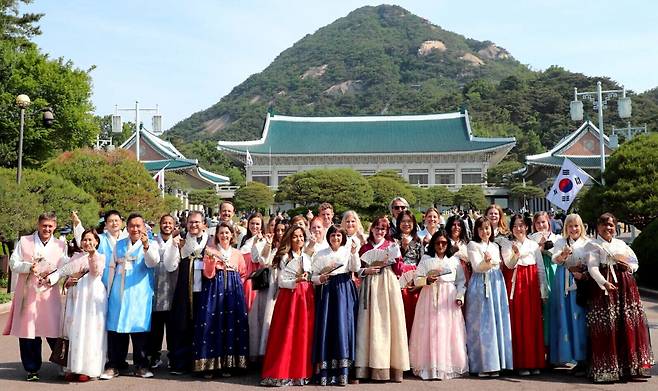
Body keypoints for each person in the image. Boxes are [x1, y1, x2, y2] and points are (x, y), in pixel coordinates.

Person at [585, 213, 654, 383]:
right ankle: (607, 368)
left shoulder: (621, 244)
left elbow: (635, 262)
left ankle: (631, 367)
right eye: (604, 225)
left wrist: (628, 266)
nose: (608, 228)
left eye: (611, 225)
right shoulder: (593, 245)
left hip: (626, 287)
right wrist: (604, 283)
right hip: (605, 289)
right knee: (608, 325)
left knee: (628, 324)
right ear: (598, 227)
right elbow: (592, 267)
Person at [3, 212, 68, 381]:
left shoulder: (61, 245)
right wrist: (28, 267)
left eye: (50, 226)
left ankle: (63, 364)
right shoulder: (25, 241)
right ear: (38, 225)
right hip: (28, 293)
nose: (47, 229)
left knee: (54, 330)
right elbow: (13, 263)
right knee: (28, 332)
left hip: (49, 294)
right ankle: (32, 369)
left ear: (55, 226)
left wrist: (53, 277)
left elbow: (63, 268)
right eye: (44, 225)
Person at [101, 213, 161, 380]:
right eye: (132, 226)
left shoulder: (151, 244)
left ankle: (141, 365)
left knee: (139, 329)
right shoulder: (119, 245)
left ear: (144, 228)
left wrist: (146, 246)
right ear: (126, 228)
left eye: (138, 226)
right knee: (116, 329)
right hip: (118, 293)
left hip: (139, 293)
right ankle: (114, 364)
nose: (135, 229)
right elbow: (111, 268)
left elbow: (153, 262)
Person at [355, 216, 410, 382]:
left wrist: (400, 252)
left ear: (386, 232)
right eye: (377, 228)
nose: (380, 231)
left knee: (389, 323)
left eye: (383, 229)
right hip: (369, 285)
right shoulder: (364, 247)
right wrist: (366, 271)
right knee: (368, 324)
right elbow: (357, 269)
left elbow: (399, 269)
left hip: (388, 284)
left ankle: (390, 366)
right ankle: (366, 366)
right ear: (372, 229)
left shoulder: (392, 246)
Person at [409, 230, 468, 380]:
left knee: (447, 331)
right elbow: (416, 279)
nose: (441, 245)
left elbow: (461, 281)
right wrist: (426, 280)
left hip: (448, 298)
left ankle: (446, 365)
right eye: (438, 242)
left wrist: (460, 296)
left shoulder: (454, 260)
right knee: (429, 330)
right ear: (433, 244)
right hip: (429, 295)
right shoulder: (426, 259)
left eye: (444, 243)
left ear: (448, 244)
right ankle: (429, 366)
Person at [261, 226, 315, 386]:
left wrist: (310, 278)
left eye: (301, 237)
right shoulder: (285, 257)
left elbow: (310, 275)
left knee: (303, 334)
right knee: (287, 333)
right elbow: (281, 281)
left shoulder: (307, 256)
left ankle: (299, 372)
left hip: (305, 296)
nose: (298, 240)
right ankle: (282, 371)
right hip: (289, 297)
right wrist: (295, 281)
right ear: (290, 239)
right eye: (295, 237)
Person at [193, 223, 249, 377]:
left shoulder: (237, 253)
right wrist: (211, 262)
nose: (224, 235)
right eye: (221, 233)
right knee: (212, 324)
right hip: (213, 291)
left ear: (232, 235)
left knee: (231, 324)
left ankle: (229, 364)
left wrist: (236, 287)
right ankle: (210, 365)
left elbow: (243, 274)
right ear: (217, 235)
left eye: (227, 233)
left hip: (233, 293)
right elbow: (208, 274)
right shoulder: (211, 251)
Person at [52, 229, 107, 381]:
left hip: (91, 298)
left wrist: (92, 254)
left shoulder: (100, 257)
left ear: (96, 241)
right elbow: (66, 274)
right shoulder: (74, 257)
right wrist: (68, 281)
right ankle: (71, 366)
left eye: (90, 240)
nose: (87, 242)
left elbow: (95, 272)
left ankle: (87, 368)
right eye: (85, 239)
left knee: (89, 331)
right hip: (75, 298)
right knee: (73, 330)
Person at [311, 225, 360, 386]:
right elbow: (314, 276)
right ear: (328, 237)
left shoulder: (347, 252)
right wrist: (320, 279)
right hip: (327, 291)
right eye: (333, 235)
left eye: (339, 235)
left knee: (343, 326)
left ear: (343, 237)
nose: (336, 238)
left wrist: (354, 253)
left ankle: (344, 371)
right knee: (327, 326)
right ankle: (326, 371)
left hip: (344, 289)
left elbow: (356, 268)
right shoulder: (320, 254)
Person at [465, 216, 513, 378]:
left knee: (497, 321)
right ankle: (483, 364)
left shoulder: (494, 245)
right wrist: (486, 262)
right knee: (483, 324)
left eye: (487, 228)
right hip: (480, 285)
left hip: (496, 283)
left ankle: (498, 363)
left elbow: (504, 264)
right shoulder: (472, 245)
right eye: (481, 229)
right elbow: (477, 267)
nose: (485, 231)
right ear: (476, 231)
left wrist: (514, 256)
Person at [500, 214, 547, 376]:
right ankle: (521, 363)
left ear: (527, 227)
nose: (519, 229)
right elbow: (509, 264)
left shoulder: (534, 245)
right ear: (511, 229)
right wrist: (515, 254)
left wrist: (543, 291)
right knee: (519, 322)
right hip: (516, 285)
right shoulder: (507, 245)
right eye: (515, 226)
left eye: (521, 225)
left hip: (531, 285)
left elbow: (540, 268)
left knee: (533, 322)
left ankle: (535, 361)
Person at [167, 210, 208, 375]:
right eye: (191, 222)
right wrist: (173, 246)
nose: (194, 225)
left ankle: (203, 362)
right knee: (183, 325)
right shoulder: (181, 242)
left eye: (197, 222)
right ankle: (181, 362)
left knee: (204, 326)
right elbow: (171, 265)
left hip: (205, 289)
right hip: (185, 289)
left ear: (204, 224)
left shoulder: (210, 242)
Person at [550, 214, 589, 371]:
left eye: (576, 226)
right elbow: (554, 259)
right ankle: (567, 355)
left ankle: (582, 358)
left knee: (580, 317)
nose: (574, 229)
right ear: (565, 228)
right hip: (563, 280)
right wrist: (563, 255)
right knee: (564, 316)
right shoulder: (560, 242)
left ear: (581, 227)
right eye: (570, 226)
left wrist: (582, 270)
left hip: (580, 282)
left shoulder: (587, 243)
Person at [249, 218, 288, 361]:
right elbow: (262, 260)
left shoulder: (290, 246)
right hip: (268, 283)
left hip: (282, 283)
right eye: (277, 229)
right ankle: (262, 352)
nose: (279, 233)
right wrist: (268, 244)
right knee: (263, 316)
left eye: (282, 230)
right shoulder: (269, 244)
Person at [146, 214, 181, 370]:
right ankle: (154, 356)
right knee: (155, 329)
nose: (167, 225)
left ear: (174, 226)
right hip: (155, 290)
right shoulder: (152, 242)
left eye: (170, 223)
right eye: (164, 222)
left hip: (172, 291)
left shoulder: (179, 242)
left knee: (174, 329)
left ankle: (174, 357)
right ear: (159, 224)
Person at [529, 211, 560, 350]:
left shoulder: (557, 238)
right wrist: (538, 248)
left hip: (553, 271)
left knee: (554, 307)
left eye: (543, 222)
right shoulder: (530, 239)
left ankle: (555, 346)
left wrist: (546, 248)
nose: (541, 225)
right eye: (538, 223)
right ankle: (542, 346)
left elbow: (559, 255)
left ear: (549, 223)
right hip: (536, 273)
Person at [240, 212, 266, 312]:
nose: (254, 226)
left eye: (257, 224)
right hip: (242, 276)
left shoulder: (263, 241)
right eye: (252, 223)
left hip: (254, 278)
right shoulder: (244, 239)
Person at [445, 215, 471, 285]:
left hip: (465, 274)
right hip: (449, 276)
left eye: (459, 225)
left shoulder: (466, 242)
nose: (456, 227)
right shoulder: (444, 242)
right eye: (454, 225)